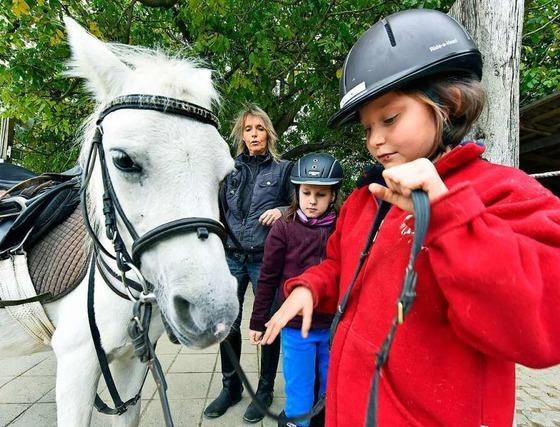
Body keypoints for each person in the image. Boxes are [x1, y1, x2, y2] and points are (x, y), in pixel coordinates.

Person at [259, 8, 560, 426]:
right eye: (366, 129)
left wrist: (446, 216)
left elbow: (545, 324)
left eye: (389, 118)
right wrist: (311, 288)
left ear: (450, 104)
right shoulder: (367, 198)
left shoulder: (503, 192)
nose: (375, 140)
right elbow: (339, 266)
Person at [204, 105, 293, 423]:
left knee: (269, 326)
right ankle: (231, 388)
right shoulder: (229, 169)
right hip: (231, 256)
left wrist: (283, 209)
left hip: (266, 259)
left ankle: (265, 390)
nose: (254, 134)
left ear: (268, 132)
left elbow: (301, 205)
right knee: (227, 323)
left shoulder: (283, 170)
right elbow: (214, 208)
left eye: (259, 128)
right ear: (241, 135)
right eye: (247, 129)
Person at [249, 153, 343, 427]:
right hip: (294, 326)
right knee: (300, 390)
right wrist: (257, 321)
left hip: (331, 327)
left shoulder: (341, 227)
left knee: (329, 390)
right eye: (306, 192)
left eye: (321, 195)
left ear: (333, 196)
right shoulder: (283, 227)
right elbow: (267, 277)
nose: (312, 200)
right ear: (297, 192)